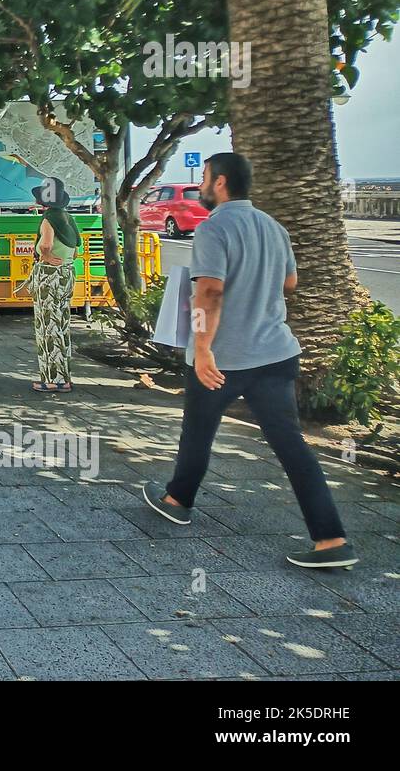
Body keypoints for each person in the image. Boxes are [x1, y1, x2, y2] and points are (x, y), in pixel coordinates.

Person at [143, 152, 356, 569]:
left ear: (220, 182)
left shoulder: (214, 228)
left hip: (225, 359)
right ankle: (331, 539)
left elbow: (209, 293)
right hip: (276, 353)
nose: (201, 184)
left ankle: (178, 500)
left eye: (204, 177)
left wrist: (203, 349)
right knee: (292, 446)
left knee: (198, 432)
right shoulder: (273, 227)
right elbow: (290, 282)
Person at [29, 177, 80, 392]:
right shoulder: (68, 218)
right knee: (62, 324)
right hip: (67, 272)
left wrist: (46, 257)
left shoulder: (49, 218)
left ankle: (52, 380)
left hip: (49, 274)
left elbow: (46, 244)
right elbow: (76, 249)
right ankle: (65, 377)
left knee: (47, 327)